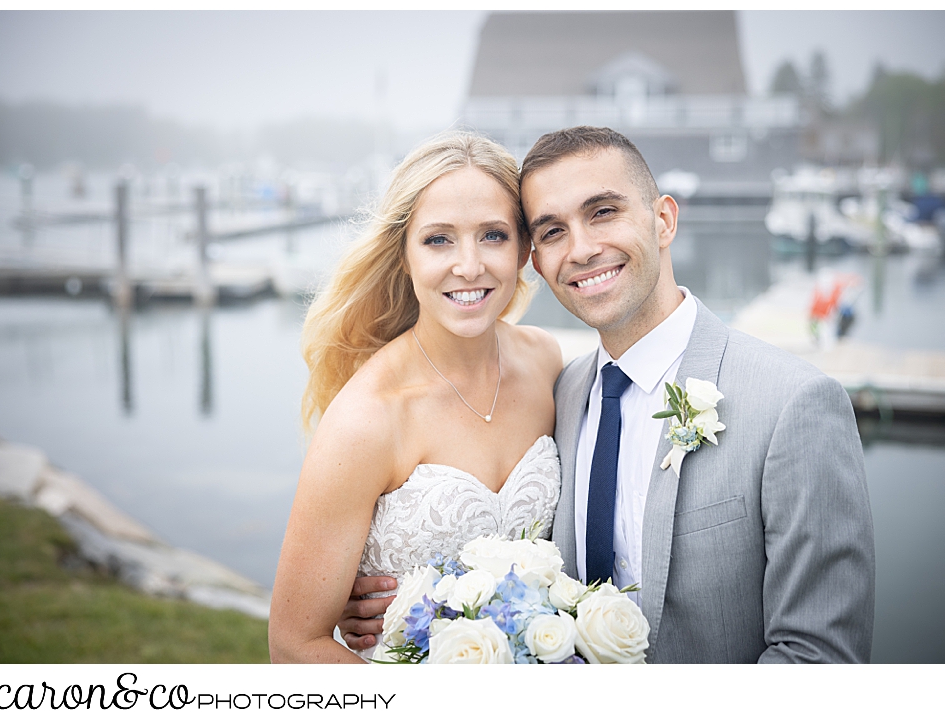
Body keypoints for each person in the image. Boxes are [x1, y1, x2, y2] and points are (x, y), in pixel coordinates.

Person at [339, 126, 876, 663]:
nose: (582, 250)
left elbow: (819, 660)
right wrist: (414, 605)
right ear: (537, 259)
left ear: (663, 219)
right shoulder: (563, 391)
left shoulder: (794, 405)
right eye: (552, 232)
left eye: (603, 213)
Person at [268, 131, 564, 663]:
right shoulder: (369, 418)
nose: (469, 265)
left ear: (524, 250)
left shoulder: (546, 363)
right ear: (403, 254)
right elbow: (293, 645)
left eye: (493, 235)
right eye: (438, 239)